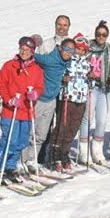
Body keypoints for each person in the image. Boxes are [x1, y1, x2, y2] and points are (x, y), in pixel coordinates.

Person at [0, 36, 44, 182]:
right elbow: (1, 84)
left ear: (32, 52)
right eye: (22, 49)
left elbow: (39, 87)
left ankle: (10, 167)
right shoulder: (9, 66)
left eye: (27, 50)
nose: (24, 52)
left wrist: (34, 94)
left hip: (27, 111)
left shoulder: (36, 69)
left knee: (22, 142)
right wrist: (9, 99)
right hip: (11, 111)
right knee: (9, 141)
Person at [22, 37, 75, 172]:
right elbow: (34, 56)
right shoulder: (50, 59)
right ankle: (22, 160)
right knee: (30, 132)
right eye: (66, 49)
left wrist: (64, 79)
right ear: (60, 48)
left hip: (51, 101)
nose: (68, 52)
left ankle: (31, 160)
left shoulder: (68, 62)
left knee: (41, 134)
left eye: (71, 51)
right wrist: (30, 45)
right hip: (39, 100)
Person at [79, 20, 110, 165]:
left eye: (104, 35)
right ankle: (84, 151)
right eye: (99, 34)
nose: (101, 37)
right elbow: (80, 64)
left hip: (104, 87)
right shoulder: (88, 49)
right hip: (90, 87)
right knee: (87, 118)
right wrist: (87, 73)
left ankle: (97, 150)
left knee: (102, 119)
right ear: (95, 35)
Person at [52, 33, 91, 172]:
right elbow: (58, 73)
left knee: (73, 128)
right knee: (62, 126)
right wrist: (64, 78)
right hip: (67, 97)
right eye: (78, 48)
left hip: (81, 99)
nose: (80, 52)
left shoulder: (87, 63)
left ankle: (64, 153)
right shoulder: (68, 60)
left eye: (83, 50)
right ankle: (55, 155)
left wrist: (92, 78)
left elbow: (89, 81)